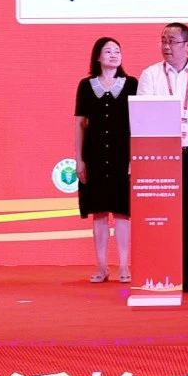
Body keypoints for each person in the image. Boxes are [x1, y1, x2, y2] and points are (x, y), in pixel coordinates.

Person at [137, 23, 188, 294]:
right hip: (160, 155)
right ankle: (159, 272)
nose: (166, 46)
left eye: (172, 41)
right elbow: (142, 116)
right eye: (163, 40)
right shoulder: (150, 75)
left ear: (187, 46)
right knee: (160, 217)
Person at [75, 37, 138, 283]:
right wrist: (79, 160)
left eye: (117, 51)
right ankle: (101, 267)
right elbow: (79, 124)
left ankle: (124, 266)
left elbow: (140, 122)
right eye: (108, 51)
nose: (114, 55)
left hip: (123, 156)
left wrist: (136, 157)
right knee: (99, 213)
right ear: (98, 57)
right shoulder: (85, 86)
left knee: (123, 213)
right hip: (95, 156)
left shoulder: (132, 84)